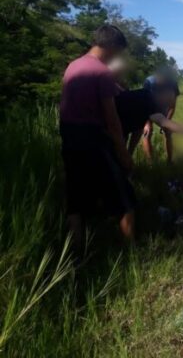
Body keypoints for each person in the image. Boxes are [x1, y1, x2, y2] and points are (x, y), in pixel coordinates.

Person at [59, 25, 135, 249]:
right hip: (94, 140)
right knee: (124, 198)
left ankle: (76, 253)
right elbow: (112, 120)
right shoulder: (102, 72)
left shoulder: (73, 66)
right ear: (112, 47)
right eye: (119, 51)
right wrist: (124, 155)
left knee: (76, 197)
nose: (118, 56)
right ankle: (131, 253)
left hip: (70, 136)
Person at [115, 85, 183, 156]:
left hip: (128, 112)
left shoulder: (145, 99)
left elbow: (163, 121)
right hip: (123, 113)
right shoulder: (144, 97)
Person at [141, 68, 181, 163]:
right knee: (147, 132)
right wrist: (147, 123)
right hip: (149, 110)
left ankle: (169, 161)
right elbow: (144, 103)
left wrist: (166, 122)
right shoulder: (149, 82)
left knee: (168, 132)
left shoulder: (173, 84)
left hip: (163, 111)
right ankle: (150, 162)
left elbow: (172, 106)